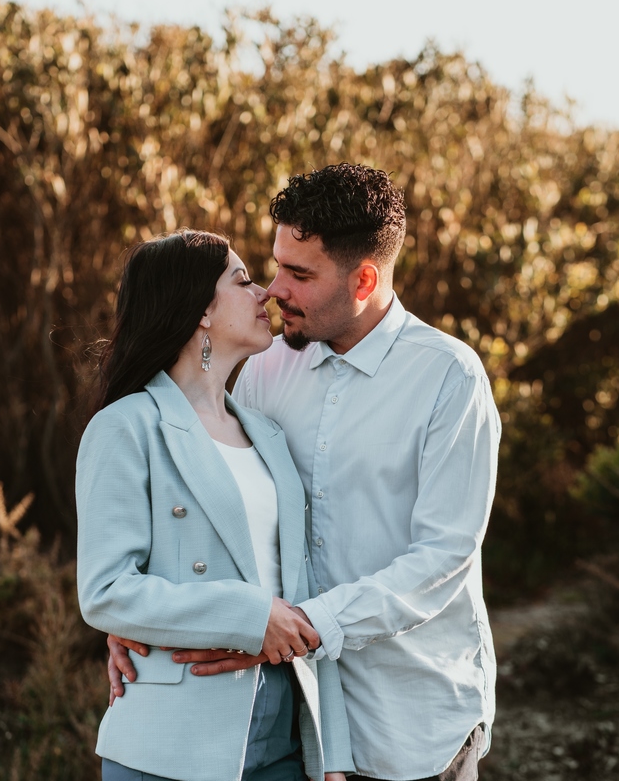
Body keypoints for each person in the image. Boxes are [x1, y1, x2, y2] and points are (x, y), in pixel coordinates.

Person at [108, 166, 501, 781]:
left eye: (299, 274)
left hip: (410, 719)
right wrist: (147, 618)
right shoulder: (266, 369)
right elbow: (226, 509)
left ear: (364, 279)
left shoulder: (448, 378)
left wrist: (303, 627)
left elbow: (442, 559)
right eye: (274, 265)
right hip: (291, 721)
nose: (273, 289)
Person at [76, 230, 353, 781]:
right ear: (200, 310)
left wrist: (333, 753)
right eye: (243, 280)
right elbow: (106, 592)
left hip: (284, 742)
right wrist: (249, 616)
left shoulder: (269, 435)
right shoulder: (126, 427)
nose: (265, 294)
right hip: (170, 745)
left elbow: (302, 591)